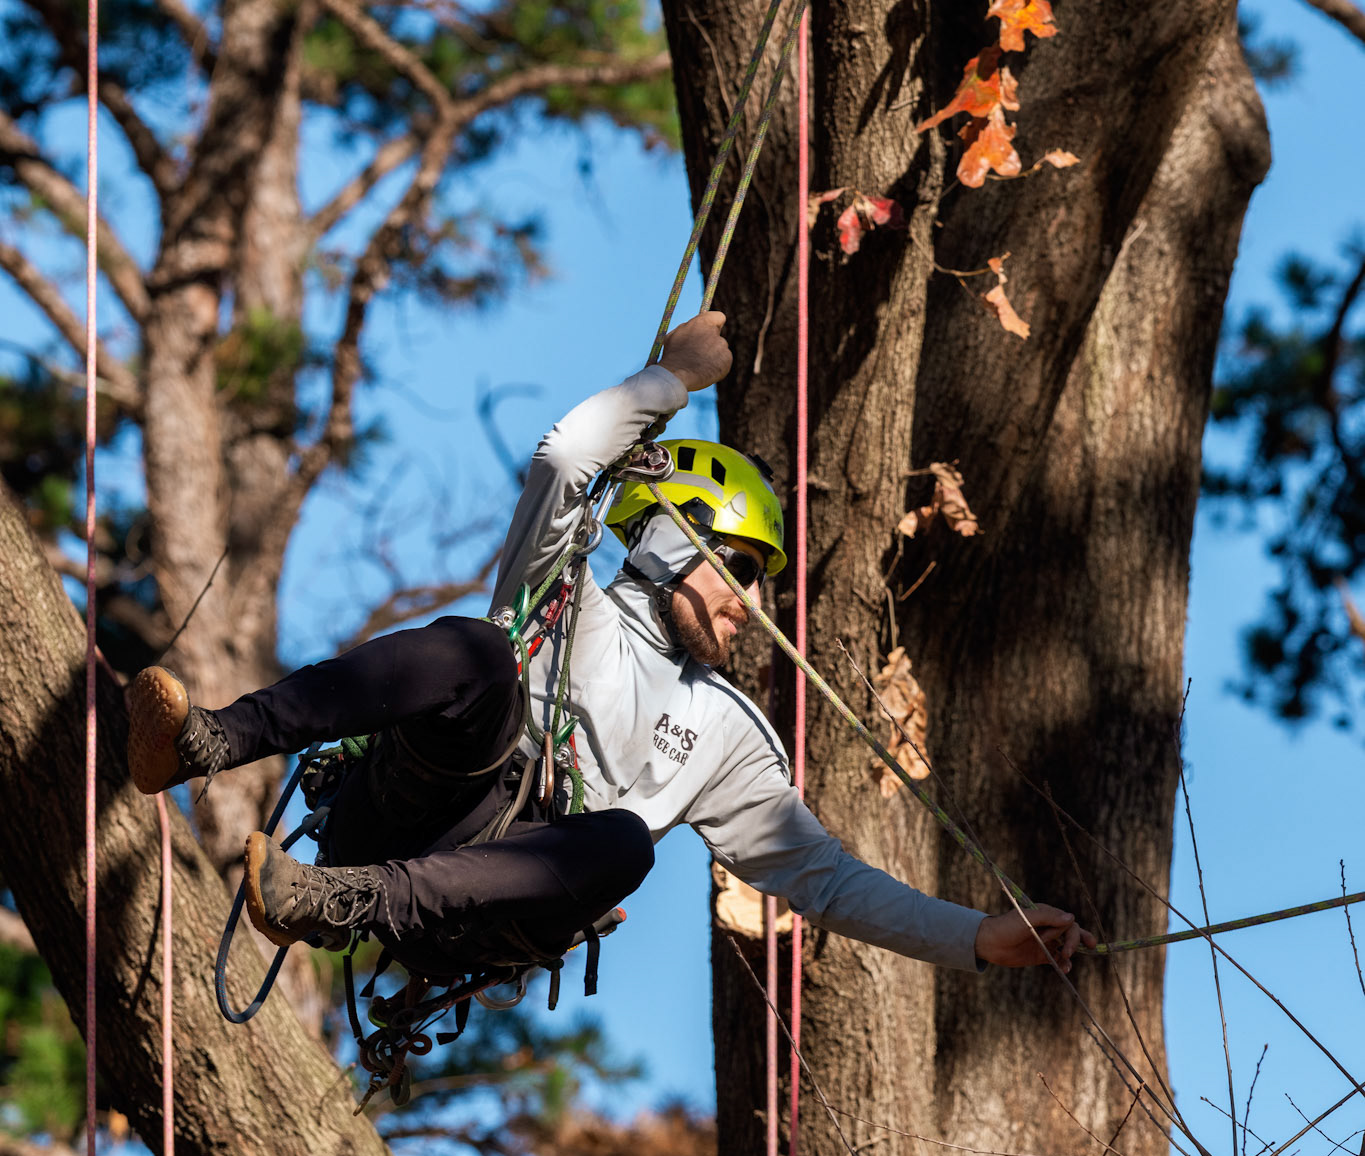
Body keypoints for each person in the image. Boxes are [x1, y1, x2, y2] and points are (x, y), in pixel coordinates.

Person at [125, 311, 1092, 985]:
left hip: (475, 908)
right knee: (474, 649)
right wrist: (671, 379)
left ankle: (337, 902)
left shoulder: (728, 734)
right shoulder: (567, 583)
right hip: (411, 806)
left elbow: (826, 881)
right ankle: (205, 742)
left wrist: (977, 938)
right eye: (739, 568)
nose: (753, 604)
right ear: (675, 541)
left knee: (627, 839)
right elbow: (562, 458)